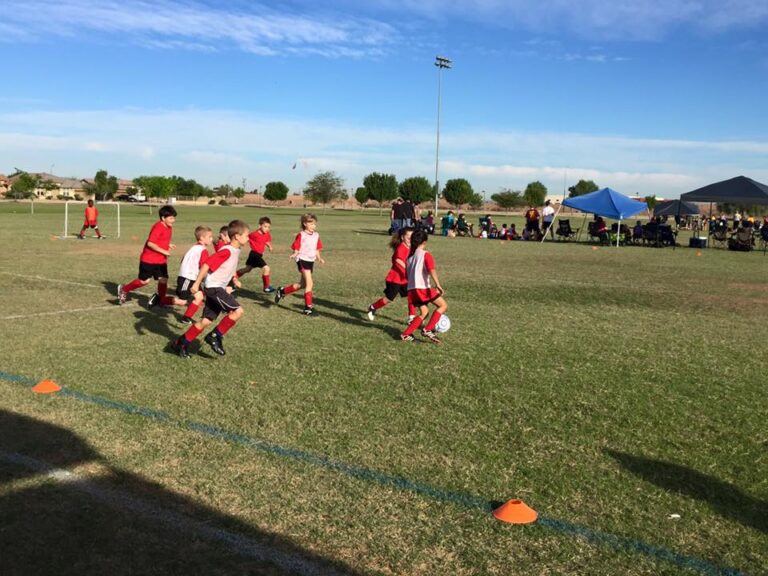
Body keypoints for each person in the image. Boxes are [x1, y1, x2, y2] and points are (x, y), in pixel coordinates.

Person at [172, 220, 249, 358]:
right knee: (238, 311)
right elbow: (206, 265)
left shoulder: (236, 250)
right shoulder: (227, 250)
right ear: (237, 236)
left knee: (206, 320)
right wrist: (196, 284)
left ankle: (180, 343)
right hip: (214, 288)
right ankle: (214, 336)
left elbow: (228, 268)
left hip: (218, 287)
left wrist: (234, 280)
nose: (248, 238)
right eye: (246, 235)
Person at [117, 205, 178, 306]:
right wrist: (164, 251)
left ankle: (161, 301)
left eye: (174, 218)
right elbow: (150, 243)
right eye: (171, 218)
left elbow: (160, 240)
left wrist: (168, 245)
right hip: (149, 260)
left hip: (161, 260)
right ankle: (124, 289)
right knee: (144, 281)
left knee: (163, 280)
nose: (173, 220)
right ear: (163, 218)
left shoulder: (169, 227)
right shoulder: (158, 227)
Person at [400, 230, 447, 344]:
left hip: (412, 290)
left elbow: (407, 274)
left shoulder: (409, 258)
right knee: (443, 305)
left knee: (424, 312)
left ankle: (405, 334)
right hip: (422, 288)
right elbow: (431, 270)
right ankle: (427, 329)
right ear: (424, 242)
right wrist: (438, 285)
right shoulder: (425, 254)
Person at [275, 213, 325, 316]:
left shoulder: (316, 235)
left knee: (303, 284)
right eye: (311, 224)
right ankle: (308, 308)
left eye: (314, 224)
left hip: (311, 261)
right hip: (302, 259)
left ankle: (282, 291)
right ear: (305, 224)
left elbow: (317, 248)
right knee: (310, 284)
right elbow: (297, 247)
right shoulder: (301, 235)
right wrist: (294, 254)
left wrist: (319, 258)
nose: (313, 226)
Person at [366, 227, 416, 322]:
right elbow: (398, 260)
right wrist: (408, 269)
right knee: (389, 299)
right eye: (408, 237)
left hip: (405, 279)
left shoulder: (411, 248)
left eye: (412, 237)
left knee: (411, 295)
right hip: (395, 279)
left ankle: (412, 317)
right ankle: (372, 307)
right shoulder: (401, 248)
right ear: (402, 237)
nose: (410, 239)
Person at [176, 225, 213, 323]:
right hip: (187, 278)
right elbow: (203, 267)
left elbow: (183, 260)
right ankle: (160, 299)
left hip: (189, 277)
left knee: (199, 297)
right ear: (202, 238)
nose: (211, 239)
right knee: (182, 301)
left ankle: (186, 318)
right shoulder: (203, 250)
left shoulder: (193, 247)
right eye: (209, 237)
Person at [237, 216, 275, 293]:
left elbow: (266, 241)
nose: (267, 228)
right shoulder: (254, 234)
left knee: (247, 269)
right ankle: (266, 287)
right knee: (266, 269)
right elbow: (246, 237)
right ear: (259, 226)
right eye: (265, 226)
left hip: (257, 255)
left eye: (268, 227)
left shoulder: (267, 234)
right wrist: (239, 243)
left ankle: (232, 277)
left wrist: (269, 246)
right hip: (255, 254)